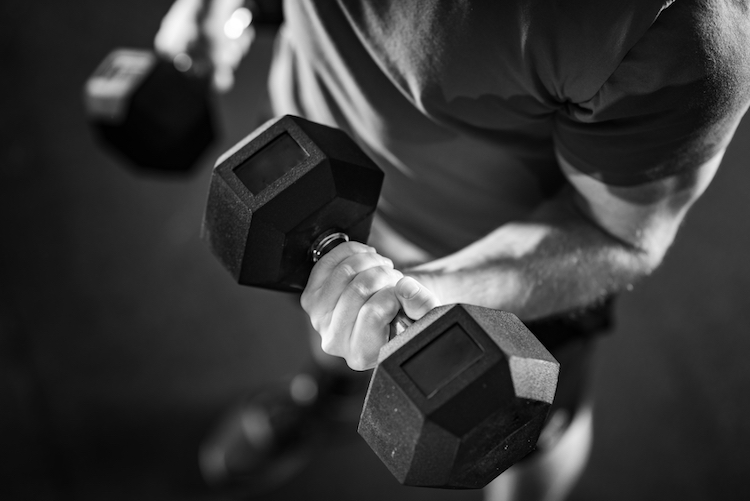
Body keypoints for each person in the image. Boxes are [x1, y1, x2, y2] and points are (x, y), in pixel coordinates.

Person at [156, 1, 750, 499]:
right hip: (306, 183)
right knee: (332, 330)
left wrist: (432, 291)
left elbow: (618, 234)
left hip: (487, 287)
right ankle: (324, 395)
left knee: (518, 435)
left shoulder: (681, 29)